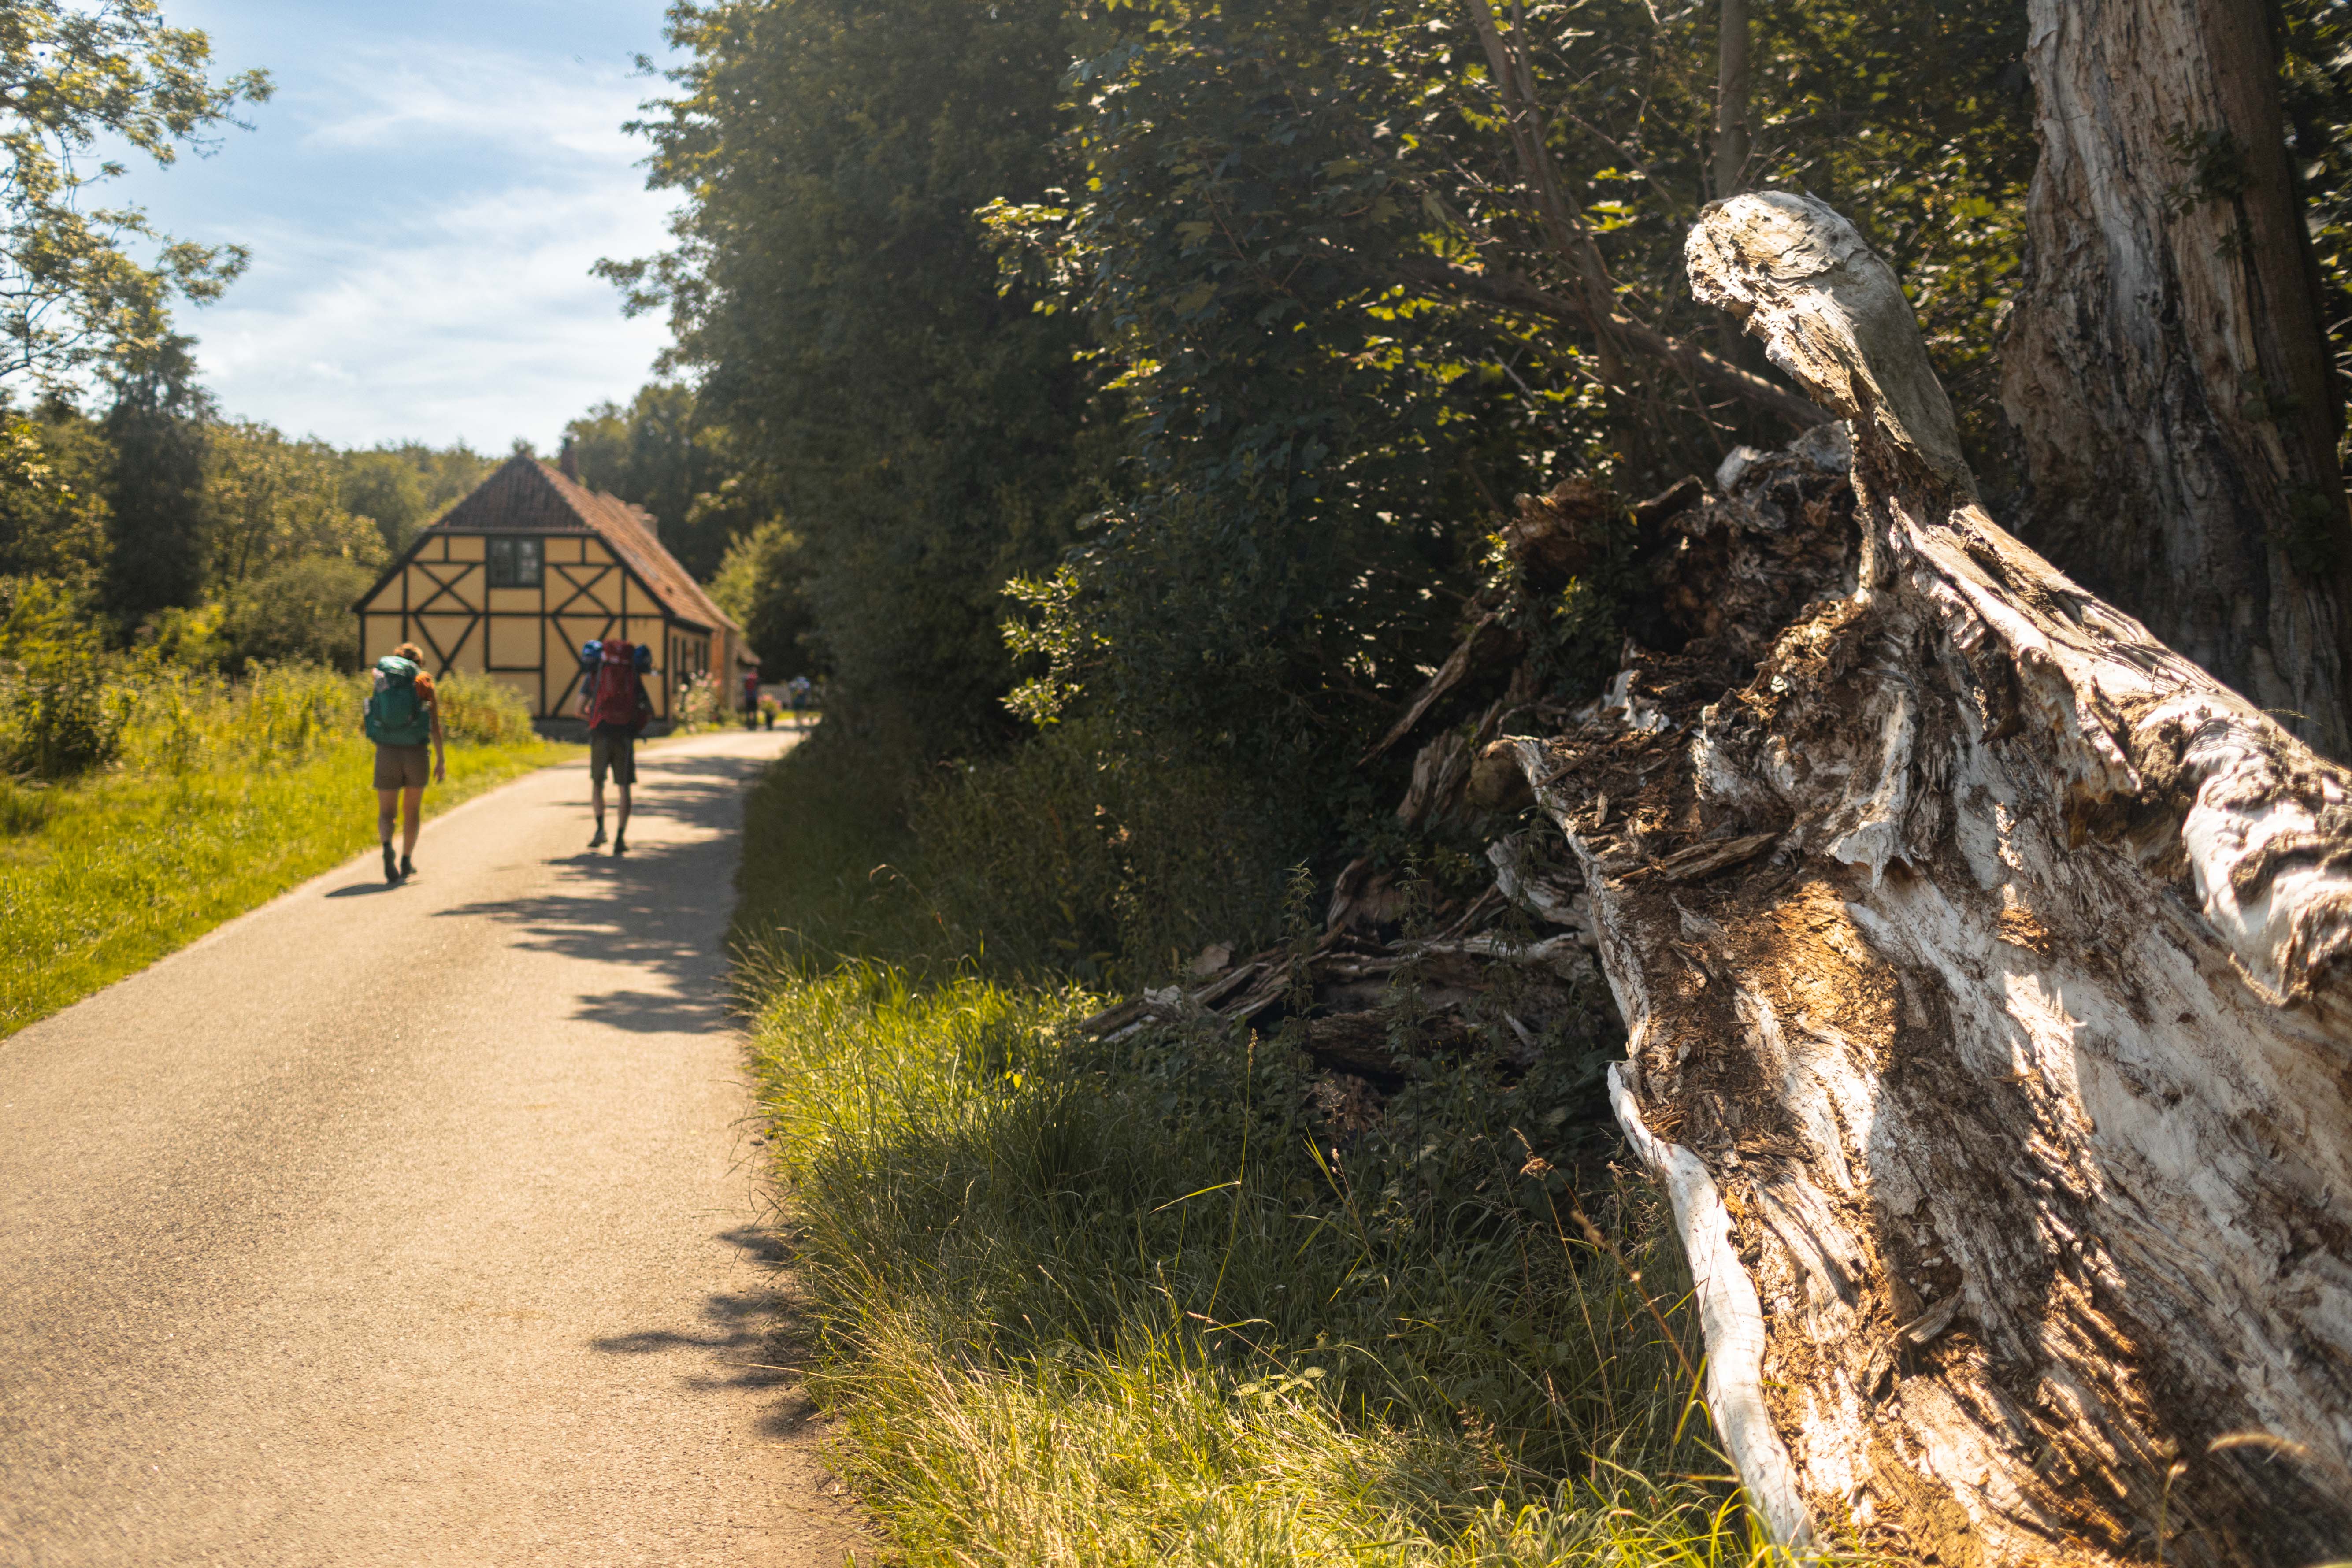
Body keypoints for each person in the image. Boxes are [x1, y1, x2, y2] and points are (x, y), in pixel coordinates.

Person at [364, 642, 445, 884]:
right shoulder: (422, 682)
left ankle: (387, 846)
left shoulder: (384, 679)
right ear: (419, 663)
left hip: (386, 751)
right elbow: (435, 725)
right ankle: (406, 860)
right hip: (416, 753)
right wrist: (440, 760)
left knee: (387, 812)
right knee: (412, 811)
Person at [580, 638, 653, 855]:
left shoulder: (595, 676)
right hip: (625, 737)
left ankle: (600, 830)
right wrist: (634, 726)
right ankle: (620, 839)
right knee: (624, 788)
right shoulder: (632, 676)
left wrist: (594, 719)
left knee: (597, 784)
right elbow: (649, 710)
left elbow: (578, 709)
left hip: (600, 734)